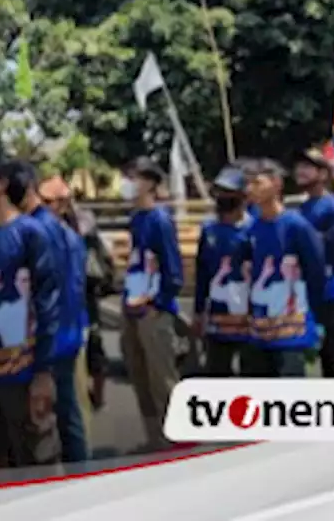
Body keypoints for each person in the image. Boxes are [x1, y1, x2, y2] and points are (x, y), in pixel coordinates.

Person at [0, 158, 61, 470]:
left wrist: (44, 372)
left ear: (2, 184)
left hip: (21, 370)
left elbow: (47, 303)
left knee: (33, 457)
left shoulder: (32, 233)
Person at [7, 161, 88, 464]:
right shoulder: (60, 230)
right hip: (65, 330)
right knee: (67, 415)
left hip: (54, 335)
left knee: (60, 416)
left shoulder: (38, 229)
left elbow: (49, 291)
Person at [238, 159, 328, 378]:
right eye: (248, 184)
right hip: (259, 327)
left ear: (277, 184)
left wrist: (314, 318)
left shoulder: (297, 226)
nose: (251, 189)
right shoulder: (251, 228)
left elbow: (316, 272)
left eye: (257, 182)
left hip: (291, 328)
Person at [119, 157, 182, 453]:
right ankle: (154, 437)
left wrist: (157, 301)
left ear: (150, 183)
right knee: (139, 373)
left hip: (153, 308)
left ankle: (176, 437)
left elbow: (173, 270)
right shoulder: (137, 218)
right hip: (133, 301)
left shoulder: (160, 220)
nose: (128, 182)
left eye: (134, 176)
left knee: (161, 376)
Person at [40, 175, 119, 411]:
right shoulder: (56, 225)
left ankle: (96, 395)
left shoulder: (79, 224)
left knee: (92, 344)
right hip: (77, 291)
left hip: (84, 289)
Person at [293, 147, 334, 378]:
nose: (300, 171)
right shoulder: (303, 208)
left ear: (322, 174)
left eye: (307, 167)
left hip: (332, 291)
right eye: (299, 166)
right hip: (309, 290)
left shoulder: (332, 206)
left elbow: (330, 247)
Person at [192, 166, 253, 377]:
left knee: (251, 374)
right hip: (218, 314)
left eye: (229, 193)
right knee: (217, 372)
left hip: (248, 315)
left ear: (243, 197)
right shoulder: (209, 231)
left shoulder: (253, 230)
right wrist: (198, 311)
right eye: (219, 193)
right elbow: (202, 273)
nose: (223, 198)